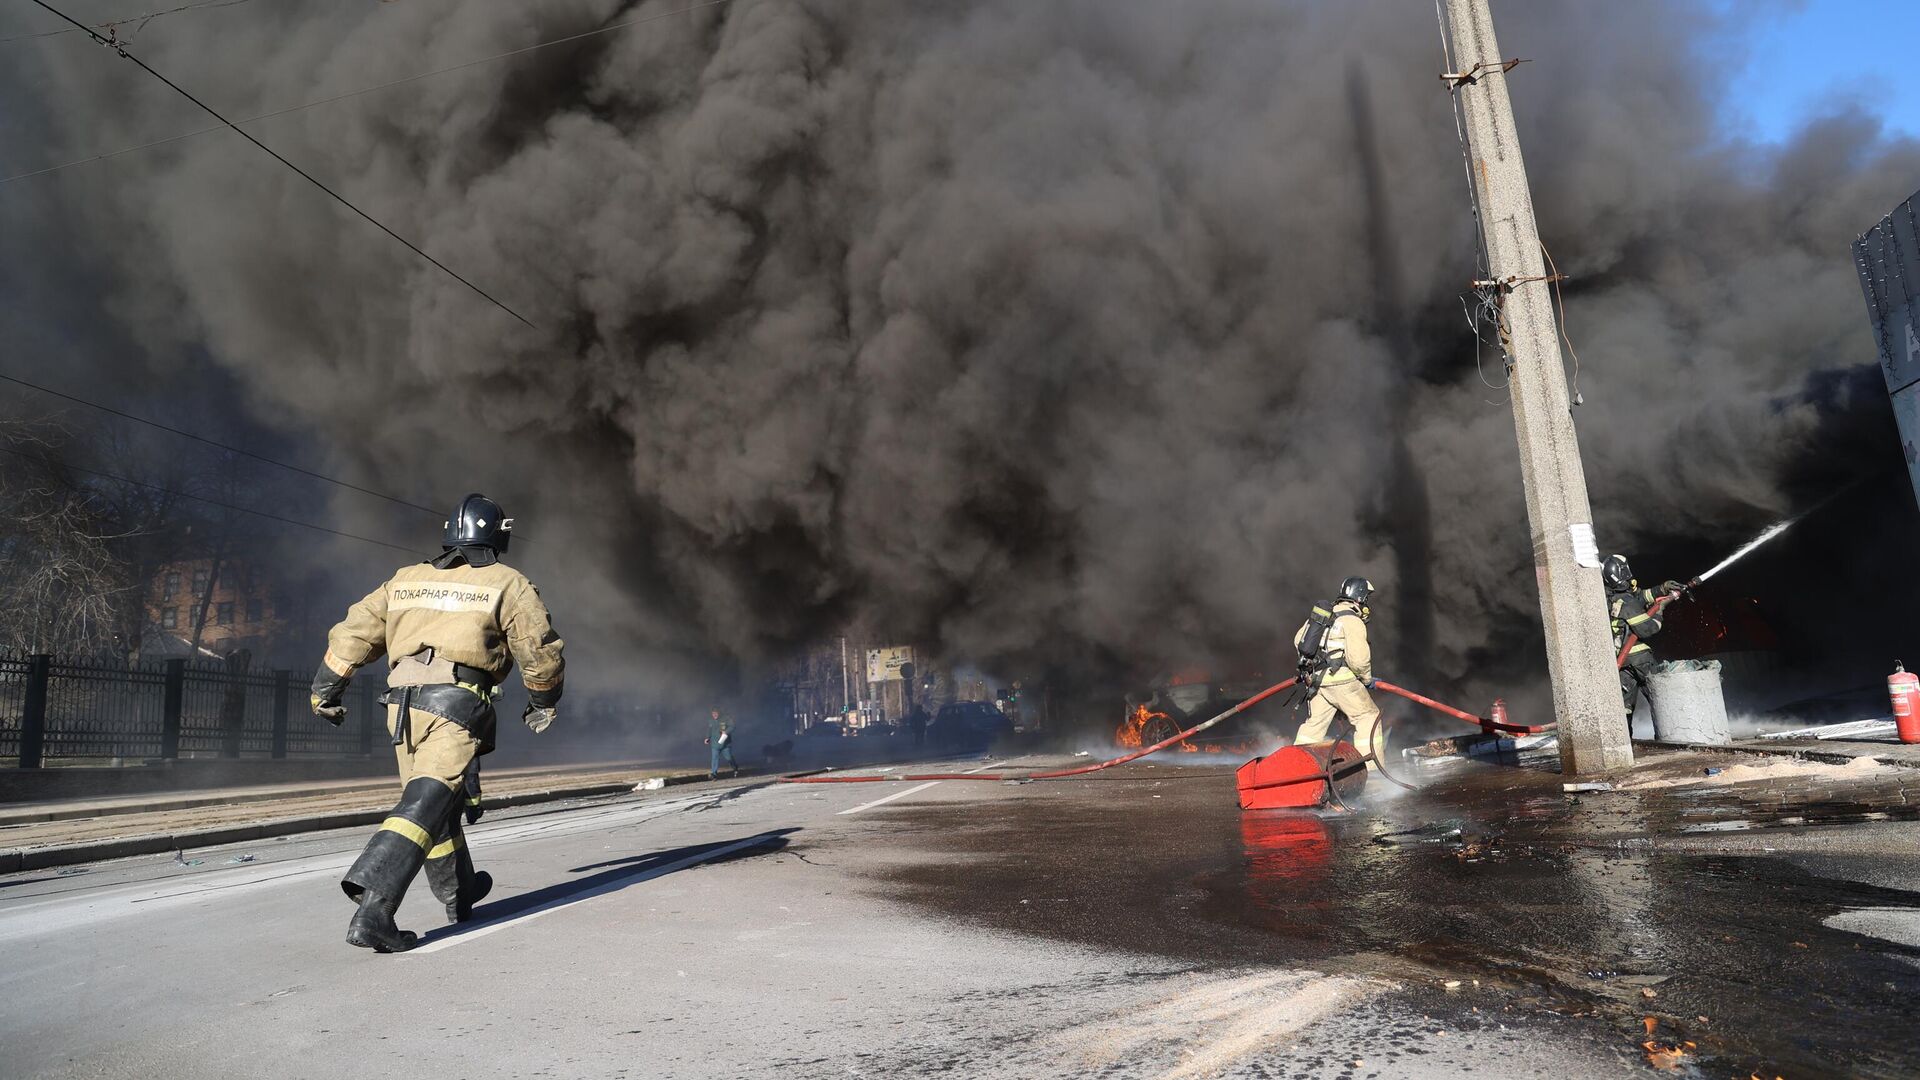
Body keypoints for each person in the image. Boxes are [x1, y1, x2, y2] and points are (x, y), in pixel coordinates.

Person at [311, 493, 565, 953]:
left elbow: (353, 632)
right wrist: (543, 699)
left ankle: (459, 892)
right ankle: (374, 908)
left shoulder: (405, 581)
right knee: (427, 801)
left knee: (436, 806)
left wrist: (325, 689)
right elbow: (538, 646)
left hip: (401, 708)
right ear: (496, 536)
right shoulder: (507, 582)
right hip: (455, 703)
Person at [1291, 576, 1383, 765]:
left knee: (1313, 727)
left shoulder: (1323, 614)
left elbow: (1299, 640)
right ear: (1360, 597)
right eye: (1366, 598)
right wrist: (1366, 679)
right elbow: (1359, 659)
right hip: (1342, 681)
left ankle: (1296, 766)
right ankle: (1372, 770)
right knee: (1368, 717)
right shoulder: (1352, 620)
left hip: (1318, 681)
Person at [1604, 554, 1682, 730]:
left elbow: (1640, 595)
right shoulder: (1627, 603)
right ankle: (1674, 732)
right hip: (1640, 659)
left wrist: (1662, 588)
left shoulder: (1612, 597)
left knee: (1624, 708)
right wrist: (1659, 611)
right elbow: (1648, 629)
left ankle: (1625, 742)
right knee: (1660, 695)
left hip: (1622, 663)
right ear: (1621, 573)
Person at [706, 707, 738, 779]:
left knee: (729, 758)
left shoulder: (726, 718)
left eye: (716, 713)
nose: (714, 715)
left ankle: (735, 767)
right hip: (715, 743)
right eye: (713, 713)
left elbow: (733, 726)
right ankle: (714, 774)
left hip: (725, 744)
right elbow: (709, 729)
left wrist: (726, 731)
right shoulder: (710, 720)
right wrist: (707, 737)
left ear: (719, 713)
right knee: (714, 758)